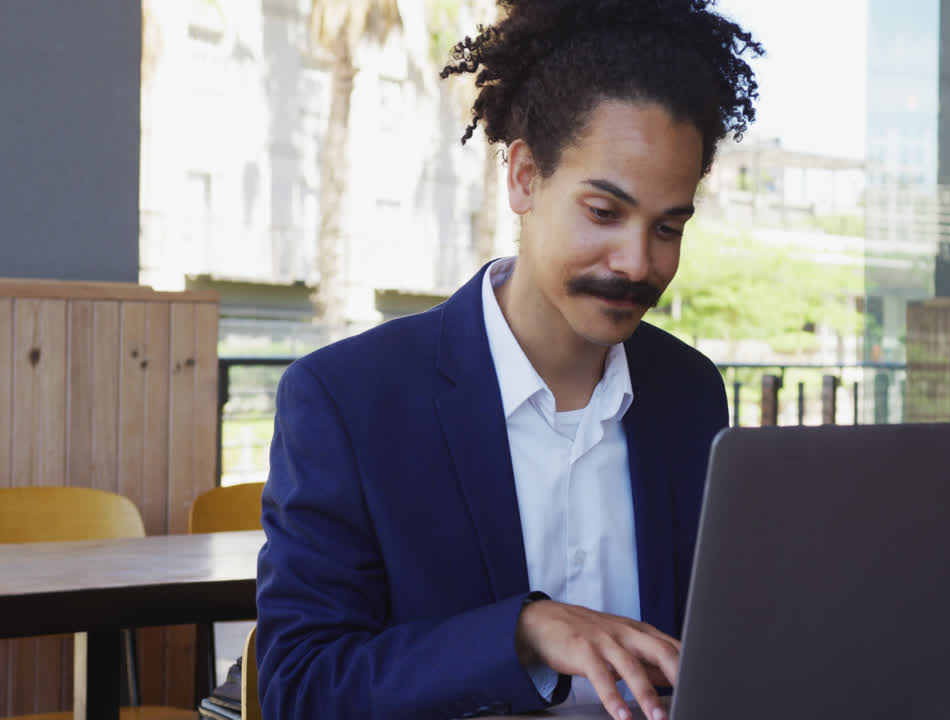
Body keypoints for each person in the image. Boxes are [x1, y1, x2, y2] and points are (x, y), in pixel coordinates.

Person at [254, 2, 763, 719]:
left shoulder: (689, 393)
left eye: (668, 227)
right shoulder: (349, 401)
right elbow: (300, 690)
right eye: (604, 212)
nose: (637, 263)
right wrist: (522, 631)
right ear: (524, 176)